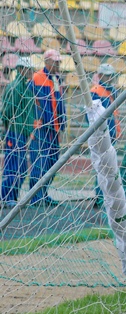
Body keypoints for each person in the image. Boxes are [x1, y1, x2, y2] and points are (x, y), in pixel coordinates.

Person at [29, 49, 66, 206]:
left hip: (54, 129)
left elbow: (60, 102)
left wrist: (62, 123)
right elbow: (30, 103)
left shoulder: (57, 79)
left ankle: (43, 193)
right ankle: (35, 197)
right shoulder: (36, 77)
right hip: (41, 128)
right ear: (47, 62)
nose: (58, 65)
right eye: (55, 62)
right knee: (40, 162)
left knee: (53, 162)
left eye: (59, 62)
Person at [1, 57, 37, 207]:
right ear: (21, 69)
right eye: (29, 69)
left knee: (21, 167)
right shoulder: (15, 87)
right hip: (15, 132)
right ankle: (5, 196)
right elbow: (6, 111)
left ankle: (13, 196)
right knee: (13, 166)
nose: (31, 72)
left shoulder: (26, 88)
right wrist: (10, 128)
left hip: (23, 133)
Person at [90, 63, 121, 207]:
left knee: (109, 168)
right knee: (102, 167)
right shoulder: (95, 91)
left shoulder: (112, 91)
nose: (110, 79)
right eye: (107, 76)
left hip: (111, 134)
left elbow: (114, 114)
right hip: (101, 136)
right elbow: (91, 115)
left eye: (111, 76)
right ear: (100, 75)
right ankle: (100, 197)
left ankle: (107, 197)